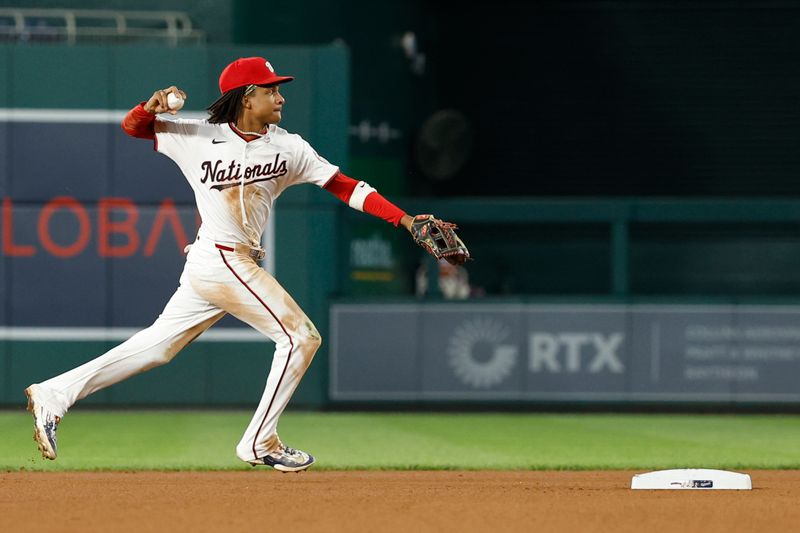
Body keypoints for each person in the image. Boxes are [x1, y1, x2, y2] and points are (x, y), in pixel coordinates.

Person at [24, 56, 424, 472]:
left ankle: (55, 394)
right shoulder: (197, 135)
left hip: (222, 262)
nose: (280, 97)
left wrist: (405, 219)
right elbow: (134, 128)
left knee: (158, 347)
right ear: (248, 97)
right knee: (301, 338)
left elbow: (346, 187)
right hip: (220, 258)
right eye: (271, 90)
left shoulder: (290, 147)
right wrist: (150, 107)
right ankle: (259, 441)